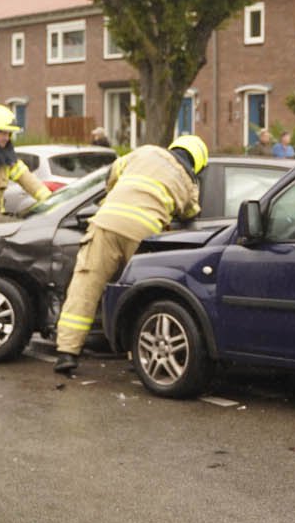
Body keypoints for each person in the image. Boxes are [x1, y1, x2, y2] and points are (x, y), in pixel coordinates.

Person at [52, 135, 206, 377]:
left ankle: (66, 353)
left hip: (106, 224)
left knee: (85, 287)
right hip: (144, 234)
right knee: (140, 295)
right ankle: (138, 355)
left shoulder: (146, 151)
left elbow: (112, 173)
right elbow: (191, 215)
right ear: (197, 163)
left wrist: (114, 194)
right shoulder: (188, 182)